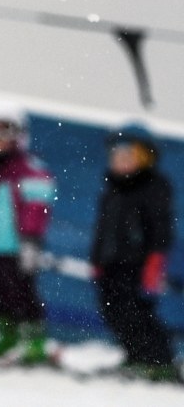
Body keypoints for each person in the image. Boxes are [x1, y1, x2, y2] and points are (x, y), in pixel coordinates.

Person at [90, 125, 180, 383]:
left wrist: (154, 262)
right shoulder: (112, 190)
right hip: (111, 264)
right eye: (116, 156)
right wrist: (97, 259)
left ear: (146, 158)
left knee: (137, 314)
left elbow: (161, 230)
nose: (121, 162)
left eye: (128, 156)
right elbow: (102, 229)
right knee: (114, 312)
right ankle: (136, 355)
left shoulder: (154, 189)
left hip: (137, 265)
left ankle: (159, 361)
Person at [0, 101, 56, 364]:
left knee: (21, 294)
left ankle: (34, 342)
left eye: (3, 133)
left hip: (16, 248)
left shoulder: (29, 170)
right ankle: (7, 336)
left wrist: (30, 240)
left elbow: (37, 207)